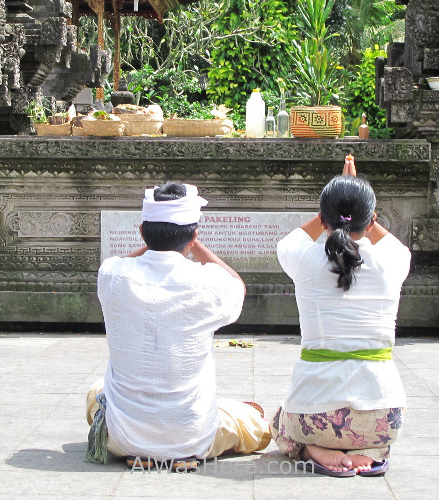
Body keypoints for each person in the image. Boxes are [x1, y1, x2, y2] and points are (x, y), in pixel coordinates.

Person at [86, 182, 271, 470]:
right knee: (258, 427)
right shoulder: (208, 282)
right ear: (193, 236)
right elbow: (238, 285)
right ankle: (219, 427)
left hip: (122, 438)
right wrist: (193, 244)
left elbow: (119, 264)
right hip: (191, 438)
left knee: (96, 393)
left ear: (142, 232)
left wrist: (156, 243)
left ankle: (141, 451)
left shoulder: (112, 275)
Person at [270, 156, 411, 477]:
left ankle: (312, 448)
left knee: (279, 423)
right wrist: (356, 198)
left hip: (313, 417)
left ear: (322, 218)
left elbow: (291, 240)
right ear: (372, 220)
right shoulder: (394, 260)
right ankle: (370, 449)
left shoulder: (302, 258)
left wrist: (335, 204)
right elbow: (384, 239)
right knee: (373, 428)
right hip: (382, 416)